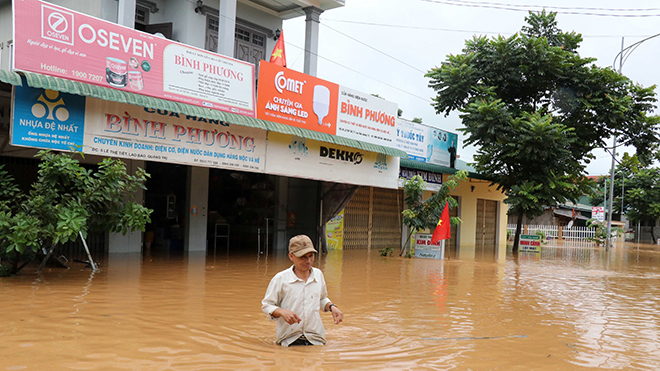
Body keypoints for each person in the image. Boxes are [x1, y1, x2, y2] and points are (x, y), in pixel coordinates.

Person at [261, 235, 344, 346]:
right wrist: (282, 312)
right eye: (303, 257)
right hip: (289, 339)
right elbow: (267, 305)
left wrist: (332, 307)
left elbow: (321, 298)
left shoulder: (318, 275)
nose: (308, 261)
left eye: (311, 256)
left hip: (316, 339)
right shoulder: (280, 279)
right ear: (291, 256)